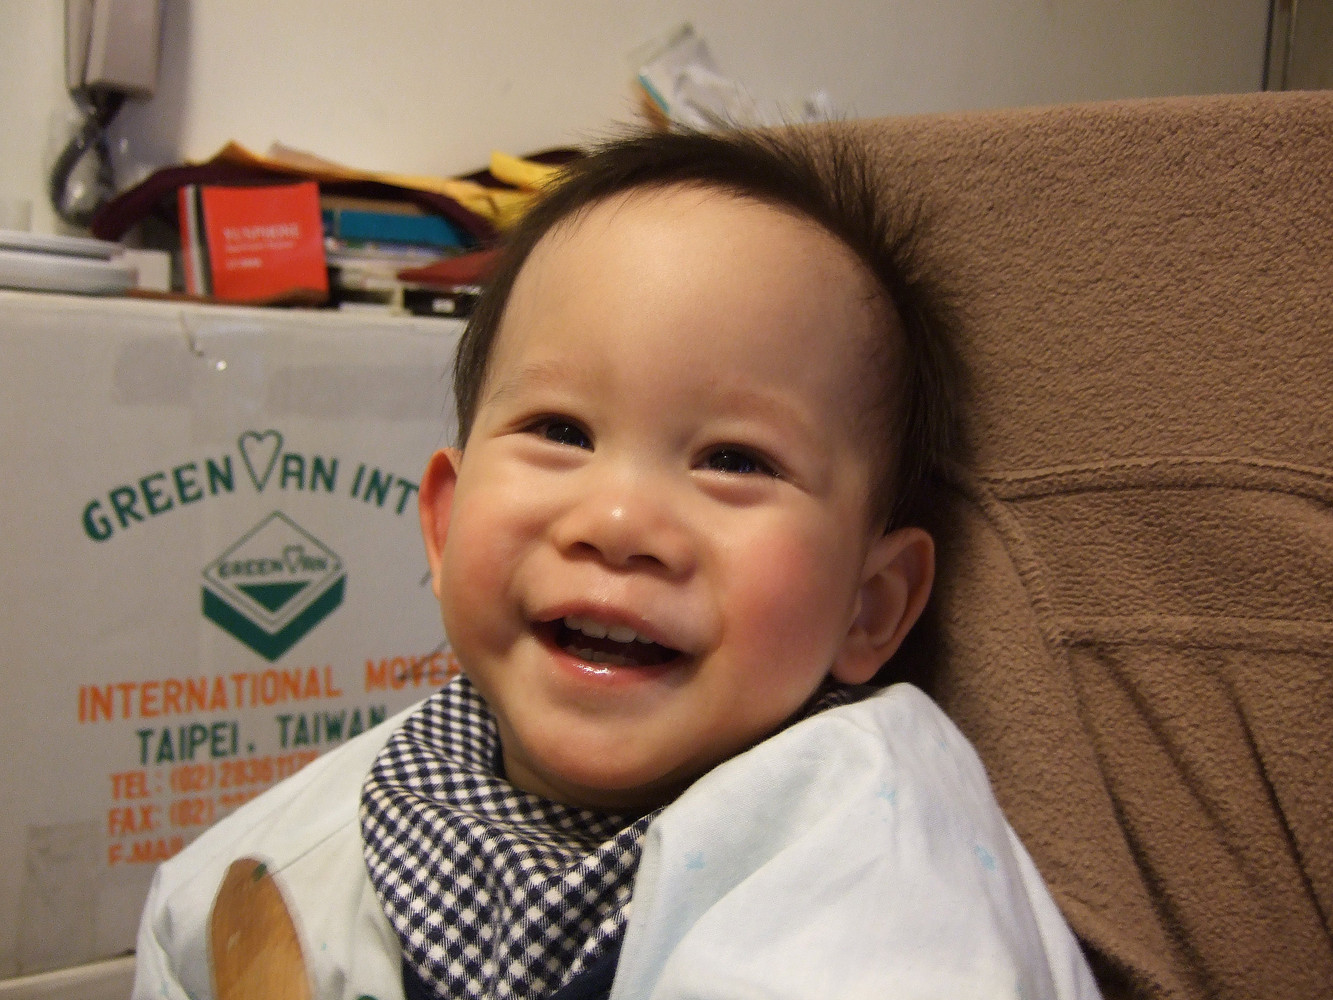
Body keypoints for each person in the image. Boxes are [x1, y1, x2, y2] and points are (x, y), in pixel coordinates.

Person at [133, 129, 1099, 1000]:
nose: (619, 521)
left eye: (734, 460)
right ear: (445, 523)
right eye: (560, 431)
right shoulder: (286, 861)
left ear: (869, 605)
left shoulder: (870, 838)